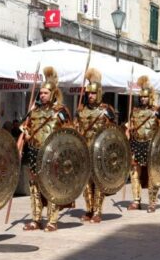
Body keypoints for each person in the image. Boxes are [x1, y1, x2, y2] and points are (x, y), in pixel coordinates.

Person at [17, 66, 72, 231]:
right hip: (34, 152)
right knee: (34, 186)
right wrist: (24, 138)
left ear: (53, 94)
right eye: (40, 93)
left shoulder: (60, 111)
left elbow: (70, 132)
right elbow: (24, 128)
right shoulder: (33, 112)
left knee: (51, 185)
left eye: (45, 93)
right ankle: (36, 219)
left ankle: (52, 220)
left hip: (52, 154)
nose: (42, 95)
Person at [74, 68, 117, 222]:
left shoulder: (106, 111)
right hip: (84, 149)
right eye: (88, 93)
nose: (90, 96)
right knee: (86, 182)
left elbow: (114, 133)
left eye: (92, 93)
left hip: (100, 150)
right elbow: (76, 129)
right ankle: (89, 209)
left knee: (98, 181)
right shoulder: (81, 110)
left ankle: (98, 211)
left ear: (98, 93)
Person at [128, 76, 160, 213]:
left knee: (152, 174)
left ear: (150, 97)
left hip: (151, 145)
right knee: (134, 173)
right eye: (141, 97)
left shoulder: (157, 111)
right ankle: (136, 200)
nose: (142, 99)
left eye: (145, 97)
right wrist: (128, 130)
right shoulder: (135, 111)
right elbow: (131, 126)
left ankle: (152, 202)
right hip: (136, 144)